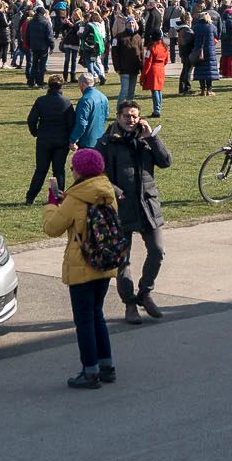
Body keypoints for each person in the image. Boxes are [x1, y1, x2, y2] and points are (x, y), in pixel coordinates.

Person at [41, 146, 119, 389]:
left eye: (73, 167)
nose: (71, 170)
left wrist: (52, 204)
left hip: (81, 263)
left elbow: (52, 228)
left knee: (84, 320)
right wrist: (68, 202)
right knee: (98, 315)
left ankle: (90, 371)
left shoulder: (75, 199)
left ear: (79, 172)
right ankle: (106, 366)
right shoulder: (107, 191)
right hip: (104, 261)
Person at [100, 99, 170, 324]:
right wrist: (116, 191)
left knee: (157, 251)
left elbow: (166, 162)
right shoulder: (106, 142)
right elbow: (97, 174)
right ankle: (130, 304)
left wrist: (152, 137)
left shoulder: (146, 139)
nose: (131, 120)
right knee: (123, 260)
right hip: (121, 207)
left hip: (147, 205)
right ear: (118, 118)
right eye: (126, 116)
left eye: (134, 116)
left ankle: (145, 293)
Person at [25, 77, 75, 204]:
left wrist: (35, 132)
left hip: (44, 140)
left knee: (41, 170)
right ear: (61, 87)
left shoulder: (41, 101)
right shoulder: (66, 103)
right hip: (61, 141)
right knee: (58, 170)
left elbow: (31, 119)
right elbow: (71, 124)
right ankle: (57, 198)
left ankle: (30, 197)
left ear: (49, 86)